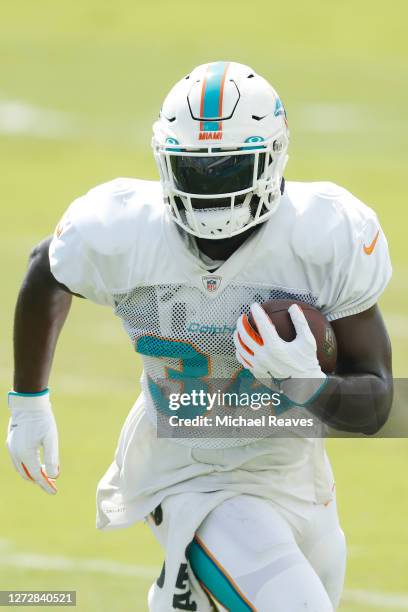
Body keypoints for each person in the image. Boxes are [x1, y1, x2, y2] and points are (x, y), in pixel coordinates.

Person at [7, 61, 393, 611]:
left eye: (229, 167)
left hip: (295, 476)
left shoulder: (323, 234)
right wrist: (28, 402)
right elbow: (47, 267)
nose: (210, 187)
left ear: (273, 157)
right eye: (194, 169)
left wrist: (306, 385)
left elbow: (379, 402)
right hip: (188, 473)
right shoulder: (124, 228)